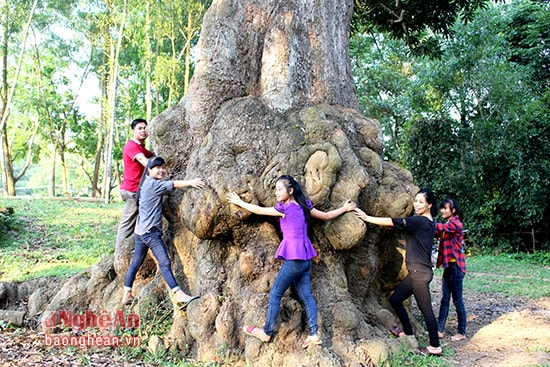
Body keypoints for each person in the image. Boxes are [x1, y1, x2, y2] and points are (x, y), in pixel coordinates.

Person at [227, 175, 356, 348]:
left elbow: (259, 210)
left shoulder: (285, 208)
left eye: (280, 189)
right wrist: (344, 208)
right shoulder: (303, 207)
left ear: (291, 190)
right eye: (276, 190)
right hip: (306, 259)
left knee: (275, 293)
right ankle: (313, 334)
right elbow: (326, 216)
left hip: (294, 260)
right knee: (307, 296)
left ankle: (266, 332)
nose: (277, 193)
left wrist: (239, 202)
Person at [354, 189, 442, 356]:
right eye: (415, 201)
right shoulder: (430, 223)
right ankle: (408, 332)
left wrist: (367, 218)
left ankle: (435, 346)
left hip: (419, 274)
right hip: (418, 272)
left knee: (426, 310)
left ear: (429, 204)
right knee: (395, 299)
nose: (416, 204)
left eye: (421, 202)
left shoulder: (420, 221)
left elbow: (392, 221)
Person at [121, 156, 206, 309]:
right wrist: (191, 182)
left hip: (140, 232)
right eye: (157, 168)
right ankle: (179, 295)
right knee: (165, 263)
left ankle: (126, 293)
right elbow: (173, 184)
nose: (161, 170)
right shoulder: (154, 184)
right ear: (149, 169)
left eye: (163, 167)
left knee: (135, 263)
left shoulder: (145, 183)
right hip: (150, 233)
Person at [115, 119, 154, 252]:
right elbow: (144, 161)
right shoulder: (131, 146)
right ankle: (119, 252)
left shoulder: (141, 148)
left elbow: (150, 155)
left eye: (145, 128)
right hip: (132, 190)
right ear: (133, 130)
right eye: (139, 128)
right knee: (127, 224)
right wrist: (158, 173)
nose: (143, 131)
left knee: (139, 222)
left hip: (139, 191)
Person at [435, 198, 467, 341]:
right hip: (449, 266)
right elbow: (437, 232)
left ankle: (461, 332)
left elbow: (441, 228)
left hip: (456, 267)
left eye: (445, 208)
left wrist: (428, 222)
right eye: (441, 208)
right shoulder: (448, 224)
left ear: (453, 211)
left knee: (457, 300)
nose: (442, 211)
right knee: (445, 299)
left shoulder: (456, 223)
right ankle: (439, 330)